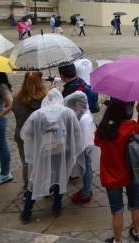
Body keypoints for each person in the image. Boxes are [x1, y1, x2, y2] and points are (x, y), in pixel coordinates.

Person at [19, 89, 83, 223]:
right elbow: (77, 133)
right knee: (60, 177)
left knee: (35, 179)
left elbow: (27, 136)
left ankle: (27, 212)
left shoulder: (36, 115)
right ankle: (57, 207)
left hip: (43, 153)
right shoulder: (68, 113)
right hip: (61, 152)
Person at [95, 100, 139, 243]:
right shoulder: (130, 127)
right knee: (136, 204)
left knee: (117, 210)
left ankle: (118, 241)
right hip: (131, 173)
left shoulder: (103, 130)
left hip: (111, 176)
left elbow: (96, 142)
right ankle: (137, 232)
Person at [12, 72, 47, 194]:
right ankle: (45, 187)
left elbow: (16, 114)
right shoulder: (45, 99)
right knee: (43, 161)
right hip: (40, 135)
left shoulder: (16, 99)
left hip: (23, 136)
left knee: (26, 162)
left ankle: (28, 189)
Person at [64, 91, 99, 204]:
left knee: (86, 168)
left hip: (85, 147)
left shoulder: (84, 118)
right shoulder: (85, 112)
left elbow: (82, 137)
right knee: (86, 168)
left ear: (78, 104)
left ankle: (86, 193)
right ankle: (87, 189)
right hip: (87, 145)